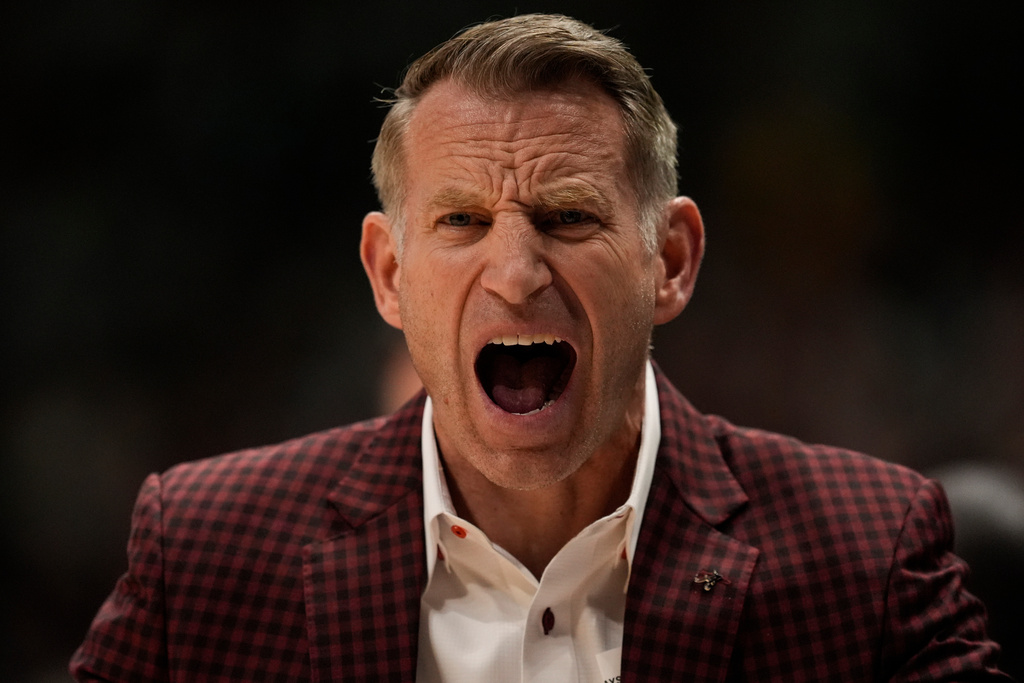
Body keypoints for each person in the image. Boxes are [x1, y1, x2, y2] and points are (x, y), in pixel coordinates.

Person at [71, 13, 1012, 682]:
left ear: (670, 261)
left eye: (566, 216)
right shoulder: (203, 553)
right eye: (463, 219)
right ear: (389, 273)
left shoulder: (868, 553)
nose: (516, 272)